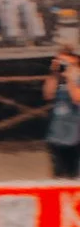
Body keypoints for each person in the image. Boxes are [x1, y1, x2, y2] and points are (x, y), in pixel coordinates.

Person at [46, 51, 80, 180]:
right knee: (58, 176)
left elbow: (77, 98)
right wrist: (54, 74)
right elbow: (48, 94)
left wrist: (70, 78)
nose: (64, 66)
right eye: (62, 63)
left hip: (75, 135)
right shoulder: (59, 81)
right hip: (57, 133)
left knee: (74, 176)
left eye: (68, 63)